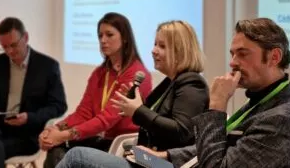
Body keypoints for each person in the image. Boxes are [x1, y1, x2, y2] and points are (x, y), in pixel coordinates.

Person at [107, 17, 290, 168]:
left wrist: (216, 107)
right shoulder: (262, 101)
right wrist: (167, 156)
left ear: (274, 57)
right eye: (232, 54)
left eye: (243, 54)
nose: (232, 62)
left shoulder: (282, 119)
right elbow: (224, 146)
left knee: (79, 157)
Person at [55, 20, 209, 168]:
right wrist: (135, 106)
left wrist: (138, 110)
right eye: (155, 44)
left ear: (180, 51)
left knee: (77, 157)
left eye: (162, 46)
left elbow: (180, 131)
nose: (153, 50)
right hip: (145, 159)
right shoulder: (170, 82)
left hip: (162, 164)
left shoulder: (192, 84)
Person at [40, 12, 153, 168]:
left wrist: (64, 135)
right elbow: (83, 112)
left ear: (125, 38)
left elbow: (107, 119)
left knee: (65, 146)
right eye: (100, 36)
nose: (103, 40)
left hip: (123, 145)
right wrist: (56, 128)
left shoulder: (136, 75)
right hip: (102, 139)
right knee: (56, 147)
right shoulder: (100, 73)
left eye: (109, 35)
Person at [0, 17, 67, 168]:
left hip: (27, 135)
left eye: (13, 45)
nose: (9, 51)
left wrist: (29, 117)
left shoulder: (47, 66)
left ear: (26, 37)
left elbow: (59, 106)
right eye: (4, 46)